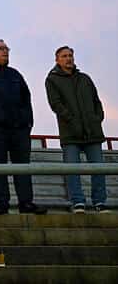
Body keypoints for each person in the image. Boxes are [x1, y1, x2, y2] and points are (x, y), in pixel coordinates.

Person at [0, 39, 47, 215]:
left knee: (22, 166)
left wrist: (28, 124)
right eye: (1, 49)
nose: (5, 52)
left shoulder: (15, 74)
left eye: (7, 49)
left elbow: (26, 99)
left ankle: (26, 202)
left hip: (19, 129)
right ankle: (2, 203)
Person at [46, 46, 109, 213]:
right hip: (70, 133)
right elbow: (56, 104)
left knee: (98, 169)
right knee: (72, 169)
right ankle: (78, 202)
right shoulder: (52, 80)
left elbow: (96, 101)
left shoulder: (85, 79)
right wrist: (71, 121)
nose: (69, 59)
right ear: (57, 59)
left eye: (71, 55)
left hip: (93, 132)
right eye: (65, 56)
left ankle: (100, 202)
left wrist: (98, 118)